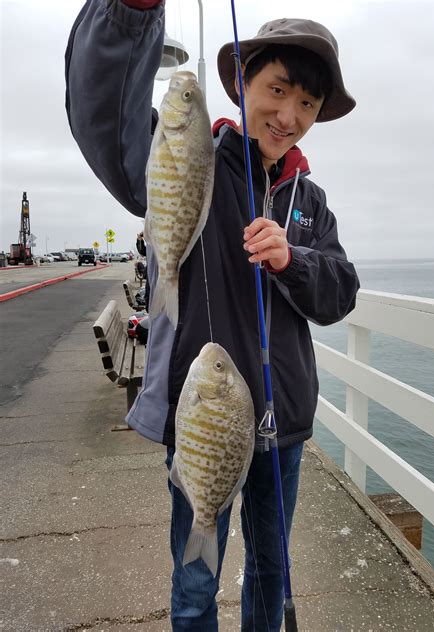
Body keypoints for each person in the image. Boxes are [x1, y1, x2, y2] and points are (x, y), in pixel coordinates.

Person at [65, 2, 360, 630]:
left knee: (271, 571)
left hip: (283, 430)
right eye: (277, 91)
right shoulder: (192, 161)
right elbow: (105, 118)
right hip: (204, 417)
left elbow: (341, 292)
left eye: (307, 104)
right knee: (195, 584)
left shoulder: (310, 202)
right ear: (242, 83)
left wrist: (294, 261)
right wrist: (130, 15)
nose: (289, 116)